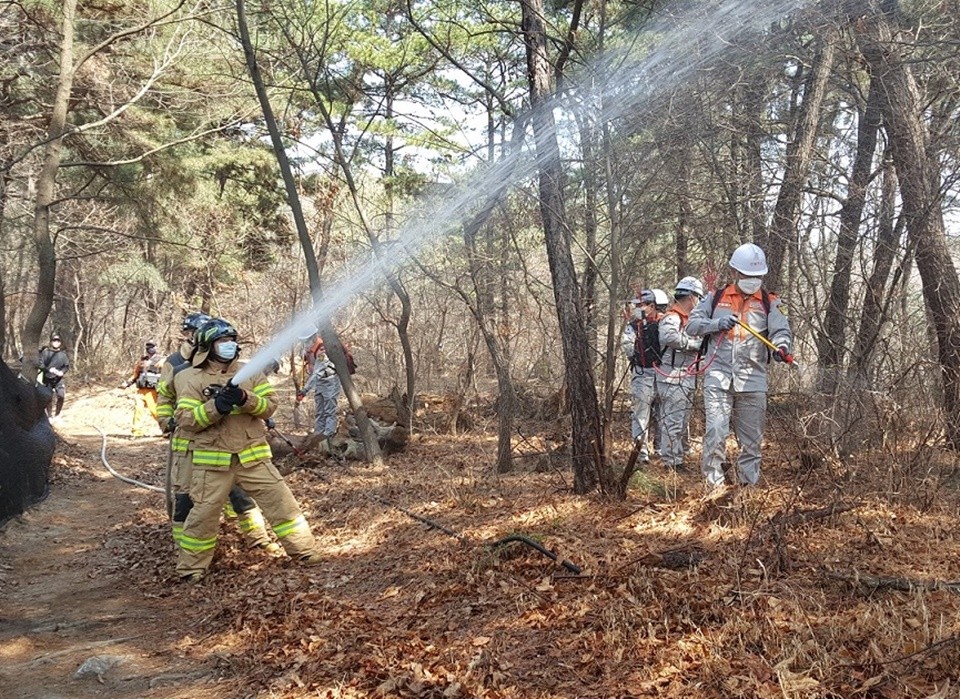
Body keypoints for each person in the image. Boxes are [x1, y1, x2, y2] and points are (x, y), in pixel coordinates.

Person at [173, 318, 322, 582]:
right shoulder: (188, 377)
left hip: (252, 456)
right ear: (208, 345)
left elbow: (270, 406)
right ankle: (191, 569)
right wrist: (216, 406)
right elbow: (186, 420)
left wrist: (244, 398)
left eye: (232, 340)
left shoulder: (250, 372)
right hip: (212, 463)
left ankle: (305, 552)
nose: (229, 345)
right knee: (203, 516)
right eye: (222, 341)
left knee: (282, 504)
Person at [155, 313, 279, 556]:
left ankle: (256, 538)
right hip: (188, 443)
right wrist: (168, 421)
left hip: (226, 442)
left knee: (240, 493)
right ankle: (185, 548)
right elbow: (165, 396)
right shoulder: (176, 364)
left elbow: (258, 395)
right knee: (187, 499)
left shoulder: (230, 366)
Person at [686, 243, 792, 491]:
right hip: (718, 378)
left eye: (756, 276)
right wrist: (716, 324)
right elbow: (692, 325)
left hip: (753, 380)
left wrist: (781, 348)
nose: (751, 280)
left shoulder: (770, 302)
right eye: (746, 275)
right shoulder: (715, 298)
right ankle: (714, 488)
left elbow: (781, 331)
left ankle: (748, 488)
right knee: (715, 432)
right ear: (734, 272)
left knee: (752, 441)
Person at [657, 276, 704, 471]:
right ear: (691, 297)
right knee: (673, 421)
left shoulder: (687, 320)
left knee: (681, 422)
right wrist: (694, 345)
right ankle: (671, 462)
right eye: (698, 298)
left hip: (685, 377)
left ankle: (677, 457)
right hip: (672, 377)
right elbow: (668, 337)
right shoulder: (672, 317)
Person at [621, 289, 662, 464]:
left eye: (640, 305)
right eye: (636, 305)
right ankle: (641, 454)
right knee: (640, 414)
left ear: (652, 306)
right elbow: (627, 346)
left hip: (663, 374)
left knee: (664, 413)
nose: (637, 308)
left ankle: (662, 450)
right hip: (641, 373)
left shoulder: (664, 322)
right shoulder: (632, 326)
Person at [299, 337, 343, 454]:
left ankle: (328, 436)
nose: (306, 345)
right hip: (320, 384)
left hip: (330, 384)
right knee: (319, 411)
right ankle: (318, 435)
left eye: (307, 342)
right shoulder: (312, 351)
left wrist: (305, 390)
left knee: (329, 411)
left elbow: (316, 374)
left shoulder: (323, 353)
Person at [121, 340, 166, 437]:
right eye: (149, 347)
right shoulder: (142, 361)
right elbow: (135, 375)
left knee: (154, 411)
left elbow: (168, 373)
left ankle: (166, 429)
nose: (150, 349)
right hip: (141, 390)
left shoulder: (162, 360)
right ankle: (136, 432)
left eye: (152, 346)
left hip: (152, 390)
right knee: (138, 409)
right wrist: (127, 383)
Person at [38, 333, 70, 420]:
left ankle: (57, 415)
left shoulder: (63, 354)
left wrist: (62, 372)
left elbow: (66, 366)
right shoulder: (45, 353)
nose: (56, 342)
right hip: (47, 379)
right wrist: (48, 370)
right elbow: (40, 364)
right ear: (51, 342)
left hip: (58, 379)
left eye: (58, 341)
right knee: (48, 397)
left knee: (61, 395)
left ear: (60, 342)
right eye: (54, 340)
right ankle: (49, 416)